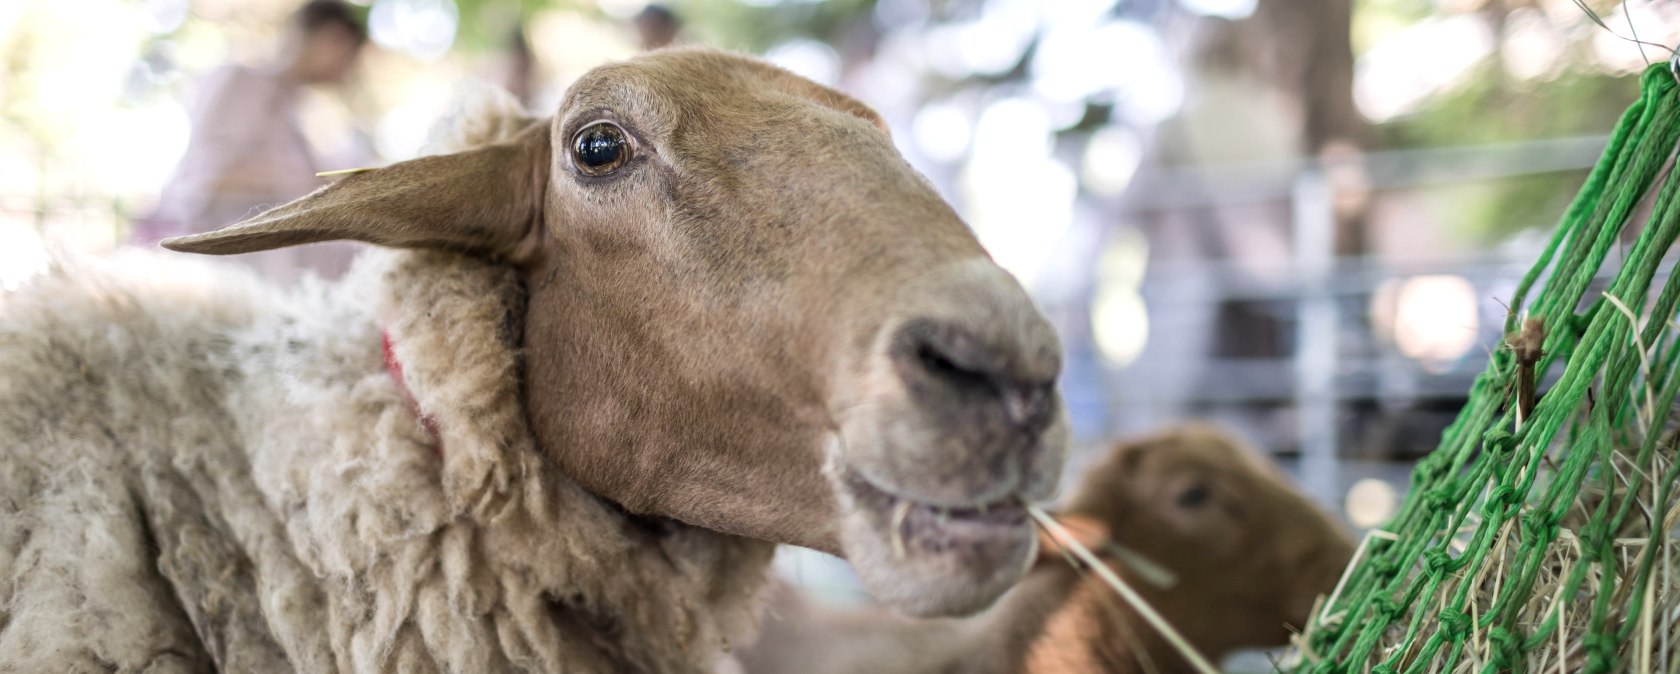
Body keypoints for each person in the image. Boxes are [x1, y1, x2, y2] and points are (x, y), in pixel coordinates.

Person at [135, 0, 373, 283]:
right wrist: (301, 189)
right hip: (217, 268)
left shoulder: (294, 113)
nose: (349, 68)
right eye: (349, 54)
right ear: (332, 39)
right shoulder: (239, 81)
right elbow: (204, 177)